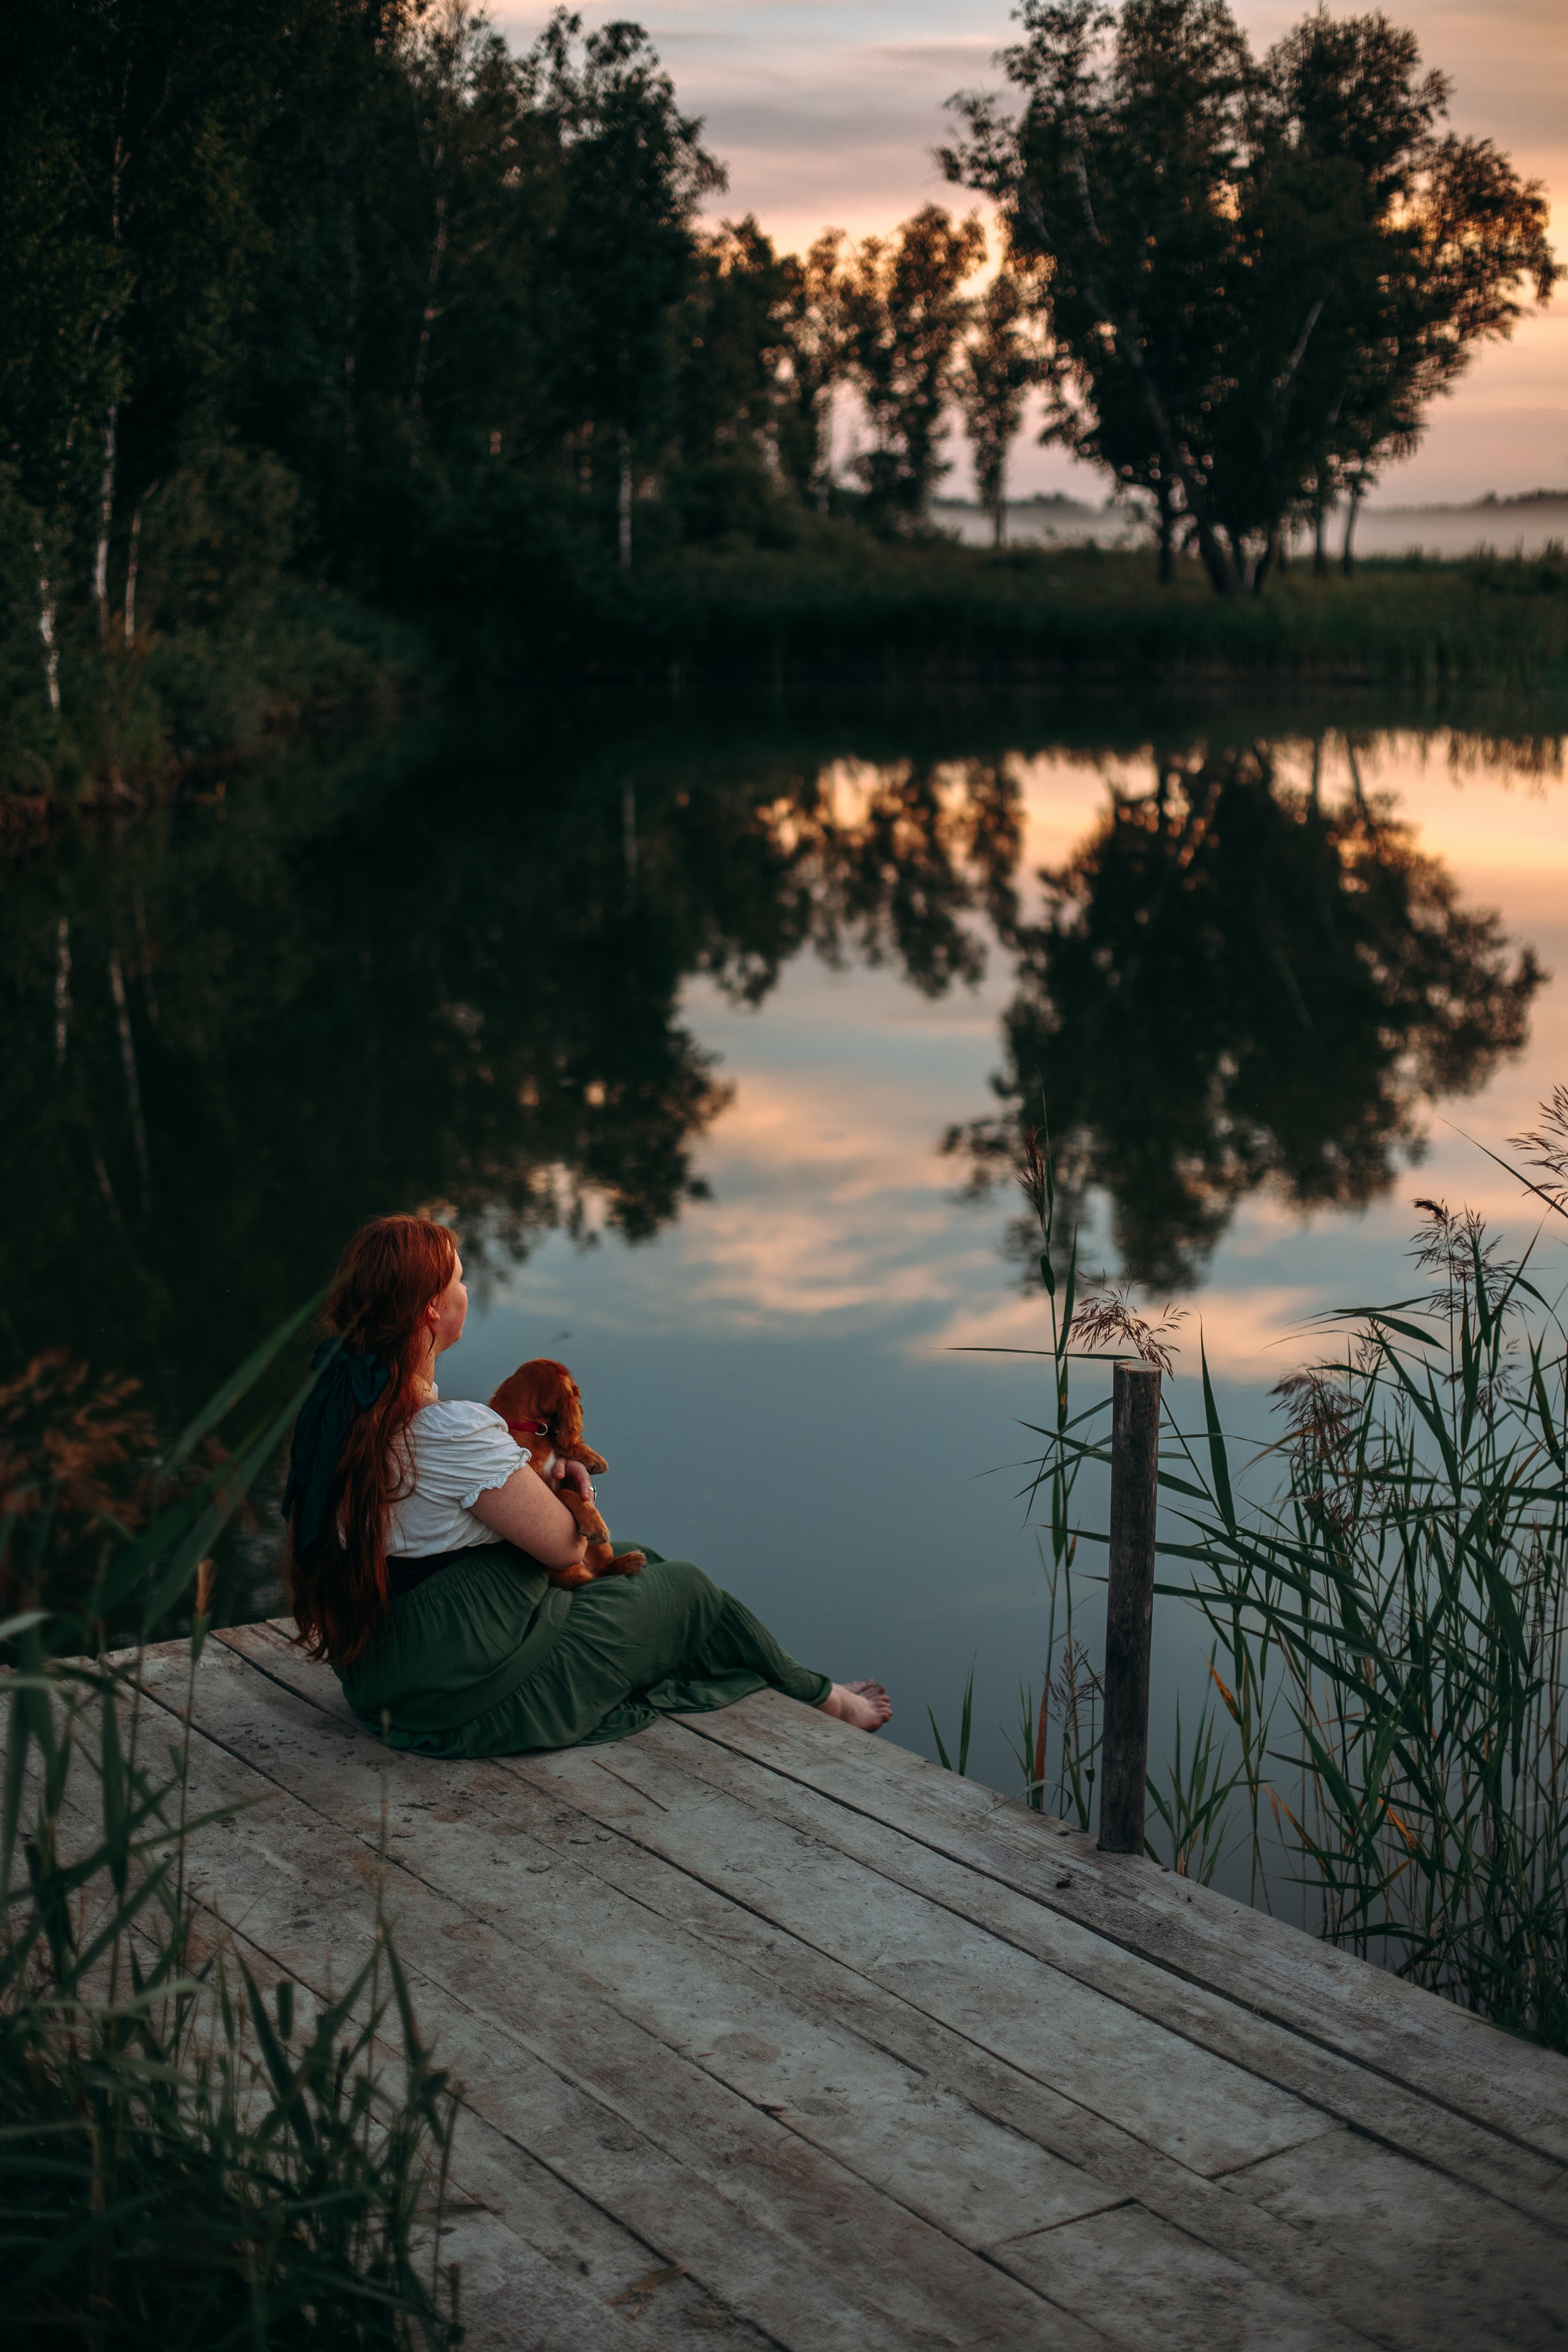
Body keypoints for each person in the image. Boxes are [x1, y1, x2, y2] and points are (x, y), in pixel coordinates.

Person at [284, 1214, 892, 1755]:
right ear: (431, 1311)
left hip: (383, 1678)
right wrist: (578, 1493)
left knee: (636, 1560)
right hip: (461, 1694)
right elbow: (565, 1547)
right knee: (689, 1589)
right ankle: (826, 1701)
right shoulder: (450, 1430)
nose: (467, 1290)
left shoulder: (342, 1413)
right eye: (460, 1280)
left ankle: (799, 1686)